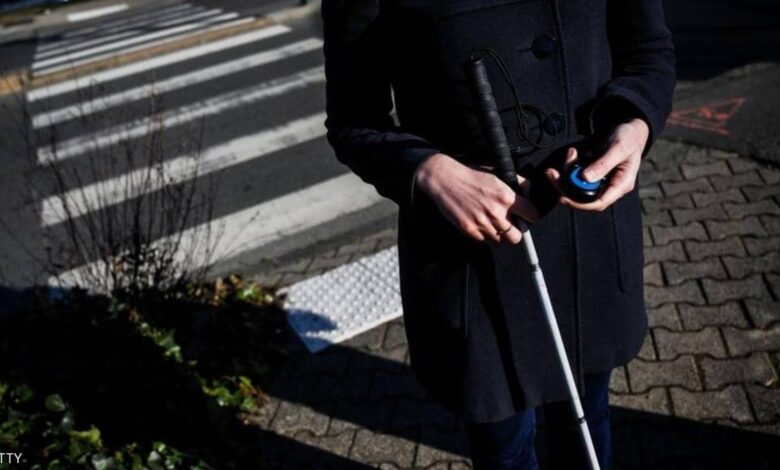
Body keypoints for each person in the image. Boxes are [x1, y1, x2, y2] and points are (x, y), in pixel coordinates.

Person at [321, 1, 676, 468]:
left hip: (586, 230)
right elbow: (353, 118)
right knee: (503, 447)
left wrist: (636, 122)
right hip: (470, 255)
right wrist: (430, 172)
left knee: (586, 418)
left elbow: (648, 50)